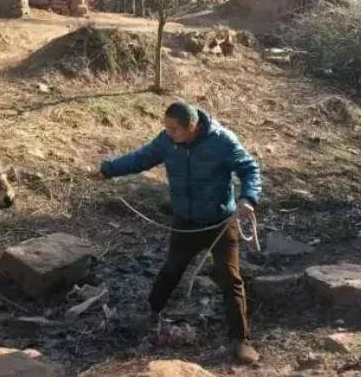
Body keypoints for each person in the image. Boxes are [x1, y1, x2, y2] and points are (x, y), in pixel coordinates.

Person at [93, 101, 262, 364]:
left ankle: (240, 339)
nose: (168, 133)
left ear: (192, 127)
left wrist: (248, 198)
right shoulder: (167, 141)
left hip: (219, 222)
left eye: (173, 129)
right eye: (166, 127)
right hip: (185, 221)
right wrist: (107, 170)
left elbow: (250, 169)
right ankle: (151, 312)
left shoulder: (222, 141)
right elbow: (141, 158)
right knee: (172, 268)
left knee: (229, 277)